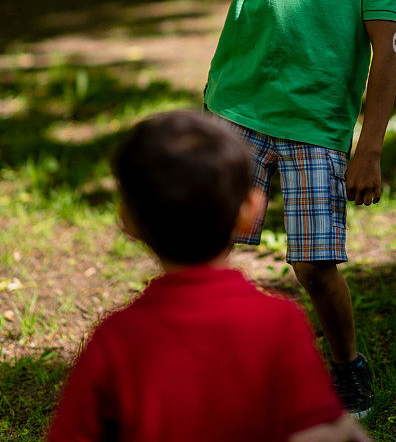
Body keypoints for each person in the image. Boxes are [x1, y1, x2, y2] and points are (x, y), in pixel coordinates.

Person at [129, 0, 396, 417]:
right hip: (236, 121)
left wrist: (369, 151)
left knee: (314, 266)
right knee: (209, 254)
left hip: (316, 130)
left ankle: (346, 366)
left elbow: (387, 54)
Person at [46, 111, 370, 442]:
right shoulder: (279, 323)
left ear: (126, 220)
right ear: (251, 211)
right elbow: (318, 430)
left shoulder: (115, 339)